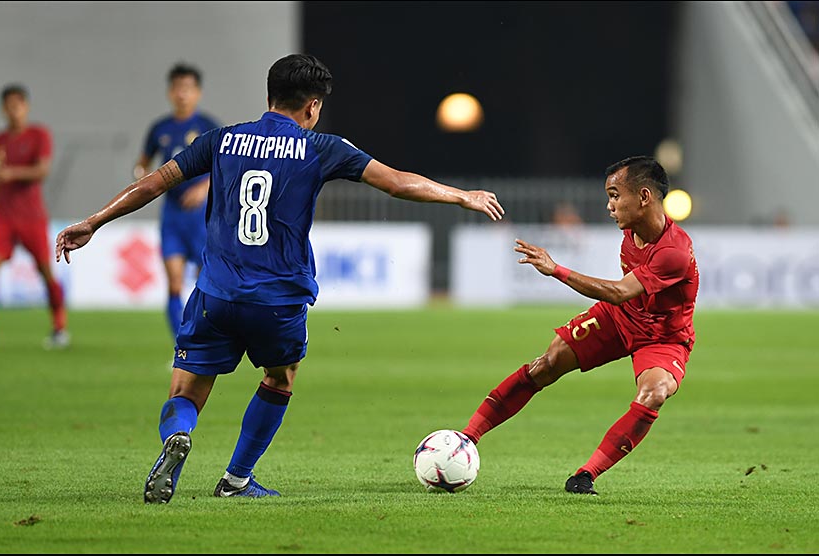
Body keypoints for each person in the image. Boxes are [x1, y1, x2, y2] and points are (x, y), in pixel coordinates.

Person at [55, 53, 505, 504]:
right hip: (278, 300)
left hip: (217, 293)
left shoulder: (221, 140)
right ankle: (236, 480)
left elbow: (154, 183)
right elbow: (396, 182)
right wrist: (462, 196)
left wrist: (94, 221)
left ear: (269, 95)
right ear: (312, 106)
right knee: (279, 378)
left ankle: (179, 436)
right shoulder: (321, 147)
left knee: (185, 390)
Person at [461, 155, 698, 495]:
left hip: (662, 338)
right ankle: (467, 438)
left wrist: (556, 269)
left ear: (644, 197)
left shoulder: (673, 251)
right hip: (622, 318)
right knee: (546, 364)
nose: (609, 206)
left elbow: (618, 291)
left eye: (615, 195)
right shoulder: (634, 227)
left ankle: (586, 474)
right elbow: (622, 300)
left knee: (655, 392)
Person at [133, 62, 221, 339]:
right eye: (177, 88)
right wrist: (142, 178)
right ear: (170, 92)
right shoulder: (160, 128)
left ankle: (203, 340)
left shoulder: (208, 126)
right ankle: (180, 345)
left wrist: (204, 187)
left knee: (204, 282)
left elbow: (224, 166)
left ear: (198, 93)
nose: (182, 94)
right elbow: (142, 163)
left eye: (188, 88)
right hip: (172, 215)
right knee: (173, 282)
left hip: (202, 215)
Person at [0, 84, 68, 350]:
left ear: (26, 106)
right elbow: (1, 178)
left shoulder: (38, 135)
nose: (13, 111)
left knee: (45, 271)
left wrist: (10, 173)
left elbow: (42, 172)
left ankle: (59, 326)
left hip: (32, 215)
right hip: (5, 214)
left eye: (18, 105)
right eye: (8, 106)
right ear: (3, 109)